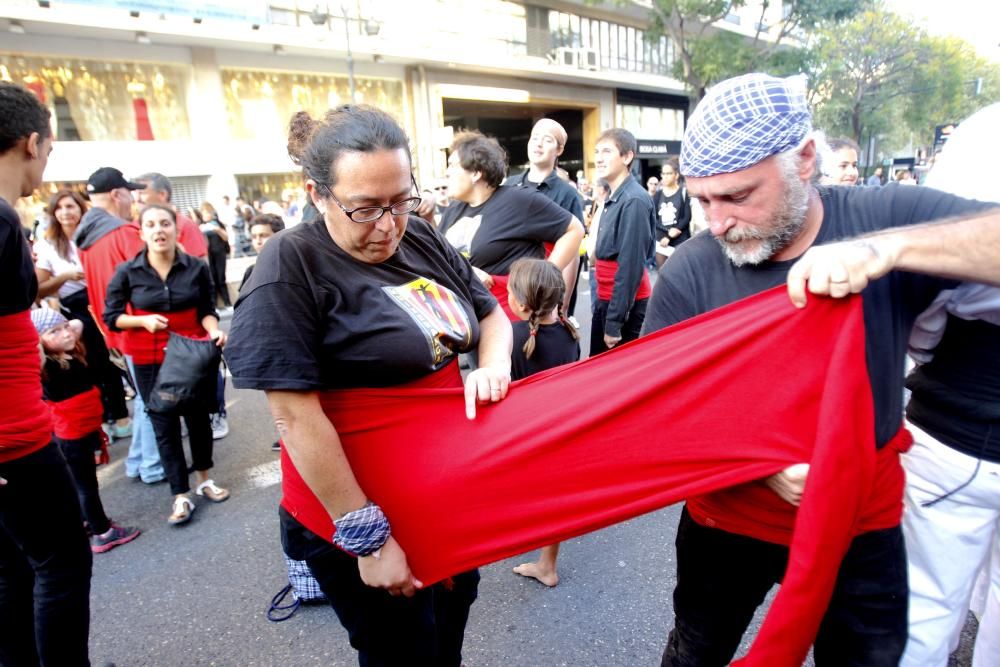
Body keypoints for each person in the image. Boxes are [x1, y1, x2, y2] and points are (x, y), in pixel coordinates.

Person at [641, 72, 1000, 666]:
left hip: (861, 521)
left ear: (804, 159)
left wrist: (890, 250)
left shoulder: (882, 217)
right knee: (697, 651)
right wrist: (758, 467)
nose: (717, 223)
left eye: (737, 196)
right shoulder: (690, 270)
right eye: (703, 200)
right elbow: (659, 415)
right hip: (728, 519)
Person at [225, 105, 513, 666]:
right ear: (316, 193)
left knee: (448, 625)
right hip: (353, 511)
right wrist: (369, 539)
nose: (387, 225)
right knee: (403, 648)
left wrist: (492, 365)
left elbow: (491, 315)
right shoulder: (290, 262)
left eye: (400, 201)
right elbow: (294, 416)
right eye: (363, 209)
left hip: (444, 494)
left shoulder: (423, 237)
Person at [899, 102, 1000, 667]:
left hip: (959, 414)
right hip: (960, 414)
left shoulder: (987, 133)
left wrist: (928, 342)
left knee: (926, 600)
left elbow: (928, 267)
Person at [0, 79, 93, 667]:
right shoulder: (3, 220)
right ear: (32, 142)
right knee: (60, 564)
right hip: (17, 443)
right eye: (51, 152)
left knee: (14, 570)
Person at [104, 204, 231, 525]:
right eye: (151, 225)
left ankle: (205, 479)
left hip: (190, 353)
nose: (159, 230)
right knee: (164, 425)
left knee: (198, 418)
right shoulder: (128, 271)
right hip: (148, 356)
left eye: (164, 224)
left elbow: (207, 310)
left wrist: (214, 331)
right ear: (142, 232)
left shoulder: (195, 268)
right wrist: (141, 321)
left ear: (176, 229)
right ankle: (180, 494)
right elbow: (112, 318)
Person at [75, 166, 166, 484]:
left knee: (145, 398)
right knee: (155, 400)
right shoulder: (123, 232)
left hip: (114, 330)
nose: (133, 198)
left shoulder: (85, 238)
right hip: (140, 329)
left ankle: (140, 461)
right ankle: (153, 464)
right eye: (130, 192)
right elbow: (150, 277)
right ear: (116, 194)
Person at [438, 130, 584, 318]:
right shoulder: (454, 209)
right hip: (462, 317)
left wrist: (540, 279)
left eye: (452, 165)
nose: (447, 172)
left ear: (475, 172)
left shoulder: (518, 200)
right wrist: (466, 272)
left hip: (510, 320)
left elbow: (574, 230)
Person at [32, 306, 141, 554]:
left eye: (65, 328)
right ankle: (103, 532)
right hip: (72, 437)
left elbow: (78, 324)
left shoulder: (67, 353)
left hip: (80, 433)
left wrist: (60, 328)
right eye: (54, 332)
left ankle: (86, 520)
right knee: (86, 487)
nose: (67, 334)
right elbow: (39, 344)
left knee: (80, 485)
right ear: (39, 341)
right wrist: (36, 333)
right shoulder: (45, 366)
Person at [35, 188, 132, 438]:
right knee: (86, 365)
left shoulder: (92, 236)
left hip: (101, 301)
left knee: (111, 361)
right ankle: (100, 421)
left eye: (71, 206)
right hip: (72, 310)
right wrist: (65, 276)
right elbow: (39, 288)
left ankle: (121, 416)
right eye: (60, 207)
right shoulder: (47, 245)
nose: (66, 212)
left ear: (81, 208)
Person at [507, 258, 580, 587]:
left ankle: (525, 536)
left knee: (530, 491)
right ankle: (547, 564)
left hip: (526, 432)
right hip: (562, 431)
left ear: (520, 303)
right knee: (555, 498)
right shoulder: (571, 332)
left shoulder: (513, 336)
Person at [506, 118, 587, 323]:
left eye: (547, 140)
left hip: (545, 291)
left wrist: (563, 305)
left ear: (559, 150)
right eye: (534, 138)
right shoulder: (509, 186)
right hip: (508, 287)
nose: (538, 144)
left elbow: (573, 253)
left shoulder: (567, 194)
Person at [590, 128, 655, 356]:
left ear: (627, 157)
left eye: (607, 151)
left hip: (625, 306)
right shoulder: (614, 196)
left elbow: (630, 266)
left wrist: (614, 322)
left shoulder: (634, 200)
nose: (599, 158)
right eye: (597, 151)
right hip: (608, 298)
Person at [135, 172, 209, 260]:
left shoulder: (185, 225)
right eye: (135, 193)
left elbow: (200, 265)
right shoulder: (134, 226)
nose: (137, 199)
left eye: (142, 193)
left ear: (162, 195)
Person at [652, 157, 692, 268]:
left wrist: (671, 235)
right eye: (663, 174)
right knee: (663, 275)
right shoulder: (658, 194)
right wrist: (667, 235)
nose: (665, 177)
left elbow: (686, 217)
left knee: (680, 274)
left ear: (676, 175)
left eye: (668, 173)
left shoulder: (683, 192)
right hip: (661, 241)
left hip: (680, 240)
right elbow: (653, 218)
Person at [198, 201, 232, 309]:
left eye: (207, 213)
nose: (206, 216)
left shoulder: (217, 224)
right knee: (211, 278)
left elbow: (226, 238)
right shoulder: (201, 226)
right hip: (208, 254)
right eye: (203, 213)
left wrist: (217, 229)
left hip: (219, 252)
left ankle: (227, 302)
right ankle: (214, 304)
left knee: (221, 277)